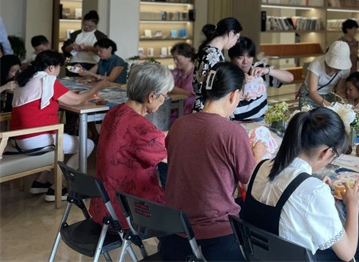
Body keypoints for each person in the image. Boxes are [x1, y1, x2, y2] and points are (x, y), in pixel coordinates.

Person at [163, 62, 267, 261]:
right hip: (215, 237)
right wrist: (258, 156)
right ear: (233, 95)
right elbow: (251, 184)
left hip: (175, 232)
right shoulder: (232, 132)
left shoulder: (179, 125)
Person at [241, 107, 359, 261]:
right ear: (326, 152)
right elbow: (347, 253)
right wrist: (352, 205)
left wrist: (313, 186)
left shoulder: (260, 167)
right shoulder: (315, 192)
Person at [10, 51, 107, 201]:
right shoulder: (47, 80)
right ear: (51, 68)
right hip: (35, 138)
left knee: (60, 144)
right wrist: (98, 87)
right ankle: (58, 187)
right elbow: (77, 101)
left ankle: (40, 182)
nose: (58, 71)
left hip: (17, 138)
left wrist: (67, 93)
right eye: (58, 67)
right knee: (87, 144)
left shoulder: (27, 78)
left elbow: (42, 97)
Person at [90, 62, 173, 228]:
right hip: (129, 211)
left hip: (104, 204)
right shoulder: (141, 128)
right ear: (152, 96)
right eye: (164, 96)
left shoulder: (115, 112)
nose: (164, 101)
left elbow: (148, 139)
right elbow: (171, 158)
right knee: (190, 207)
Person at [228, 37, 293, 122]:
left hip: (262, 120)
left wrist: (268, 70)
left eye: (249, 56)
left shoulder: (259, 68)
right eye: (240, 57)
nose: (245, 61)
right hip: (237, 123)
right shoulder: (227, 74)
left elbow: (290, 78)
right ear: (232, 58)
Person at [192, 17, 242, 112]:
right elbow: (215, 86)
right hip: (208, 107)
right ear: (231, 33)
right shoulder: (214, 55)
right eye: (237, 38)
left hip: (201, 105)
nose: (236, 43)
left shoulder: (206, 50)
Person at [297, 41, 351, 109]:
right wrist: (329, 105)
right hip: (309, 96)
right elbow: (312, 92)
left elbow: (339, 90)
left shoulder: (345, 70)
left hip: (328, 95)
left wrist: (343, 102)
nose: (340, 69)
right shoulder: (317, 64)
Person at [169, 42, 195, 123]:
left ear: (189, 57)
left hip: (187, 110)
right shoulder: (176, 72)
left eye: (178, 59)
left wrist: (170, 88)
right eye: (174, 59)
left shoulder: (194, 74)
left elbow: (188, 92)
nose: (175, 62)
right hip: (174, 107)